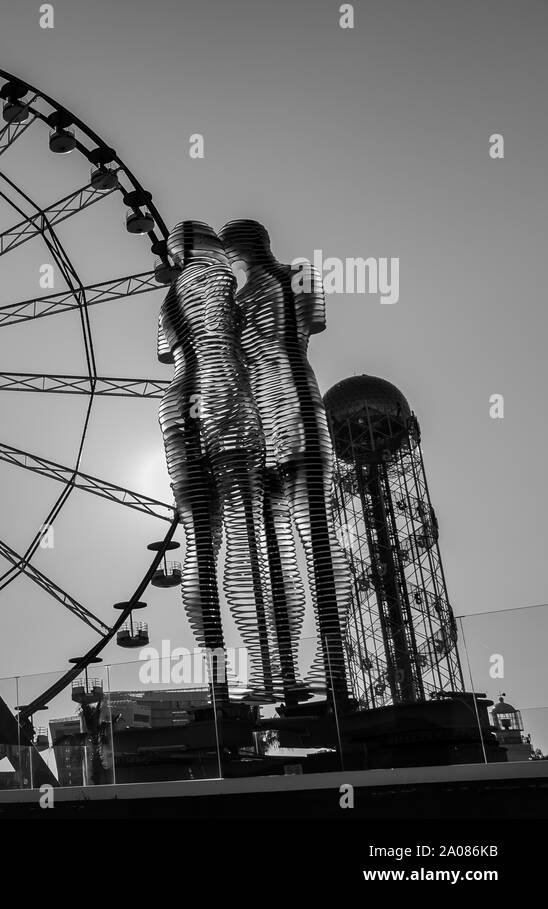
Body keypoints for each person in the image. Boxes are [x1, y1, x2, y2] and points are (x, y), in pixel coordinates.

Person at [221, 219, 352, 706]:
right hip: (262, 415)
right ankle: (281, 672)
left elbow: (311, 323)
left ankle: (325, 668)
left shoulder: (295, 275)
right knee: (273, 542)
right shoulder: (251, 293)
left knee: (310, 534)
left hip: (292, 405)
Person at [158, 220, 275, 705]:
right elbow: (254, 348)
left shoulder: (166, 303)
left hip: (176, 407)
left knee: (200, 546)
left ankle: (218, 685)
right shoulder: (229, 288)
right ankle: (269, 669)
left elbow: (165, 353)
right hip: (226, 400)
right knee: (248, 533)